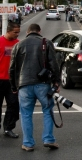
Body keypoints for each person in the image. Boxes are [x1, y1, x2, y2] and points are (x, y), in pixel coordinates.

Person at [9, 23, 61, 151]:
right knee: (47, 110)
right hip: (42, 84)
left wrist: (14, 86)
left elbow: (12, 68)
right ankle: (49, 139)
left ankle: (28, 143)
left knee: (26, 114)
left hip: (24, 84)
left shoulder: (18, 45)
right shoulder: (46, 42)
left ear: (27, 32)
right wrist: (56, 82)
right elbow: (53, 64)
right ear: (39, 31)